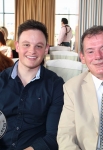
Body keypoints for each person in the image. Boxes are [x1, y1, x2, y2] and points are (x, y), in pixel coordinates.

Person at [0, 19, 64, 150]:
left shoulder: (55, 85)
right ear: (17, 46)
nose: (32, 51)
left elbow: (53, 136)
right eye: (26, 45)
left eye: (39, 46)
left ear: (46, 49)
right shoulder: (1, 80)